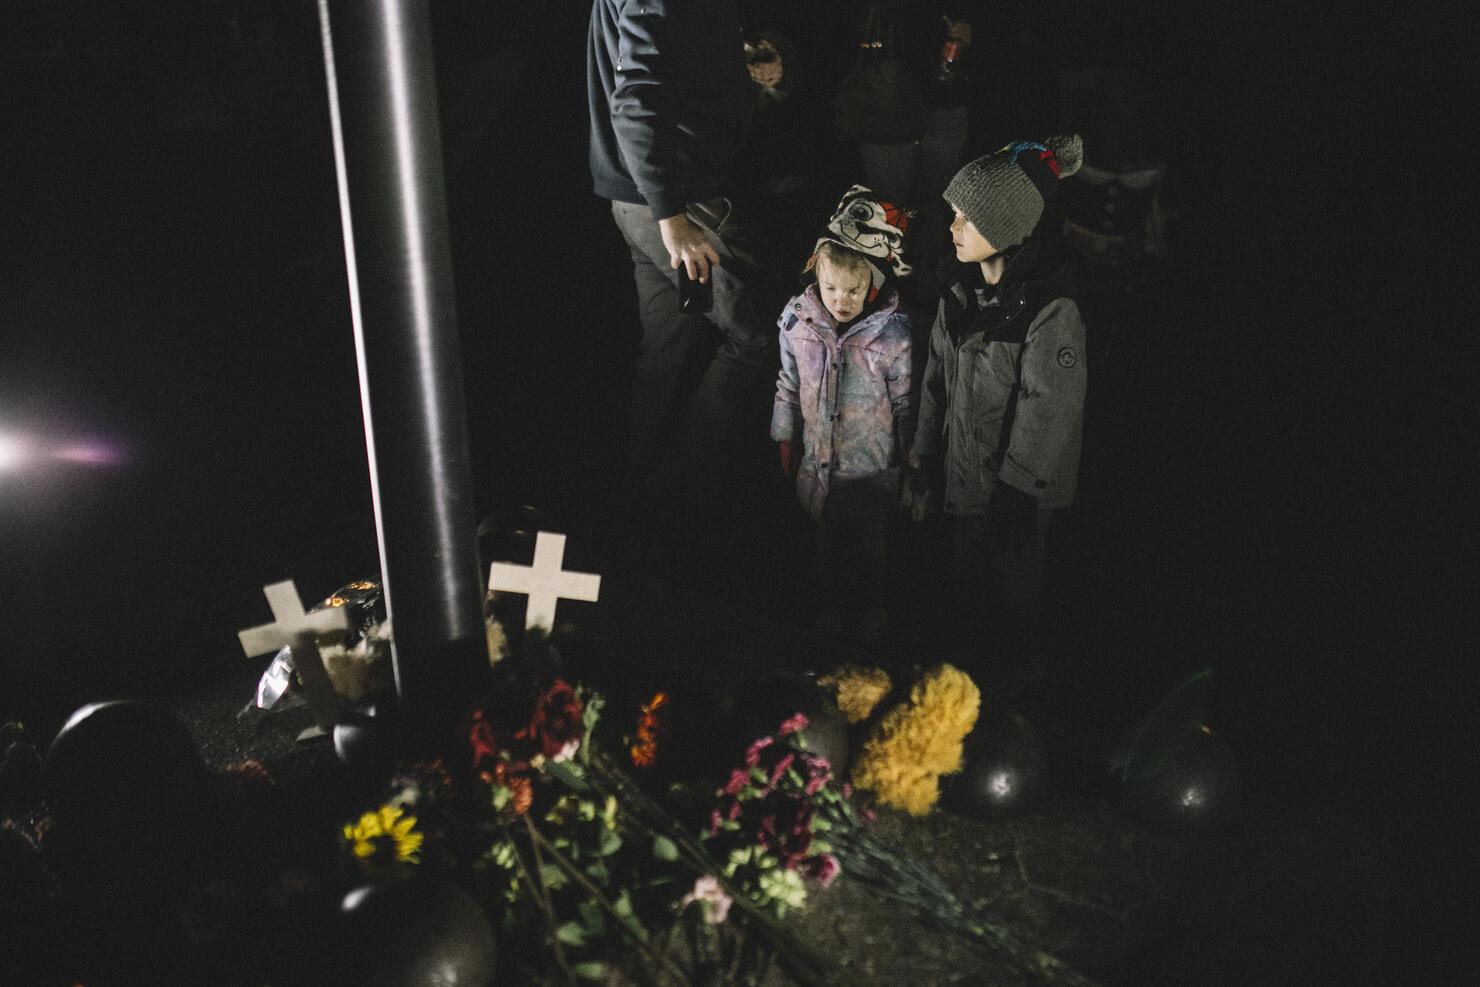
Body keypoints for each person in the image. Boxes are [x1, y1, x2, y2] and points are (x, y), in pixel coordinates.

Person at [587, 1, 780, 553]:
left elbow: (655, 60)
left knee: (669, 342)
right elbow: (634, 100)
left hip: (634, 199)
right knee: (752, 337)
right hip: (677, 203)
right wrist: (671, 217)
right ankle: (687, 492)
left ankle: (639, 497)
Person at [908, 135, 1087, 688]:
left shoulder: (1048, 310)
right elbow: (936, 380)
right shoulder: (957, 295)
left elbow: (1049, 408)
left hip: (1015, 498)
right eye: (953, 214)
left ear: (1007, 226)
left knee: (1013, 604)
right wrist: (923, 456)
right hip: (964, 481)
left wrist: (1018, 492)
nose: (953, 227)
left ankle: (1017, 706)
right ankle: (965, 697)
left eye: (967, 217)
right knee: (964, 597)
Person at [771, 186, 917, 644]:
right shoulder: (798, 323)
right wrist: (785, 437)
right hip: (819, 466)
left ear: (873, 284)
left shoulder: (892, 338)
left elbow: (905, 402)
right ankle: (833, 615)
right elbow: (788, 383)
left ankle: (872, 616)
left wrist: (912, 458)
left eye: (854, 290)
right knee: (826, 547)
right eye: (831, 287)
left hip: (870, 470)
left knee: (869, 548)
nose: (841, 299)